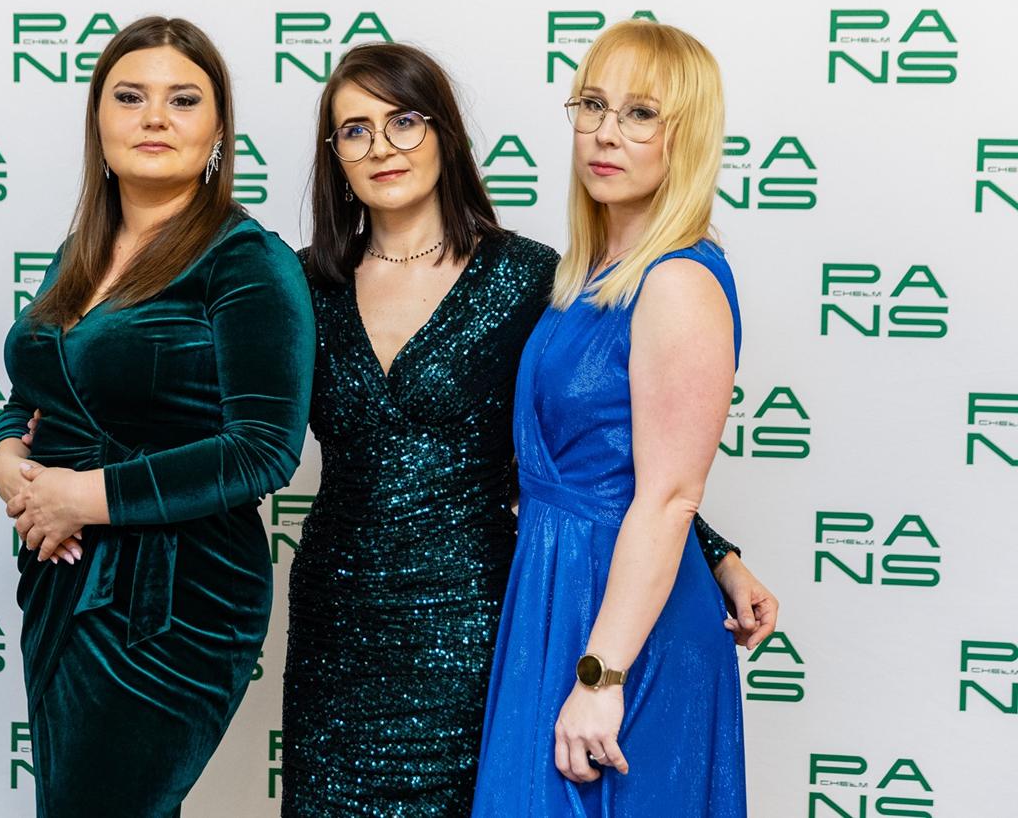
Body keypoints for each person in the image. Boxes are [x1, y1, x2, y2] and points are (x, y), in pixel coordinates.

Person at [282, 42, 775, 816]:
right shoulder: (299, 283)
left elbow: (603, 453)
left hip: (479, 618)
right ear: (334, 154)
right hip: (337, 625)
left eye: (404, 121)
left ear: (445, 133)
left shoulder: (529, 277)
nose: (381, 146)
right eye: (354, 130)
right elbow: (223, 422)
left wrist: (713, 552)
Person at [0, 16, 314, 817]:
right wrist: (6, 463)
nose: (155, 118)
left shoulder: (247, 260)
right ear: (98, 121)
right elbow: (35, 395)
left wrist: (80, 496)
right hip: (61, 576)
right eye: (129, 97)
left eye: (183, 99)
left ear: (219, 130)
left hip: (174, 596)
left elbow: (263, 450)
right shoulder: (81, 252)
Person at [474, 20, 748, 816]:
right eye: (593, 105)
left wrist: (602, 677)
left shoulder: (677, 282)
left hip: (624, 626)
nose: (605, 132)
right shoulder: (591, 275)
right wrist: (726, 558)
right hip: (558, 589)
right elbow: (614, 459)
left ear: (686, 138)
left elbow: (668, 495)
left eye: (640, 114)